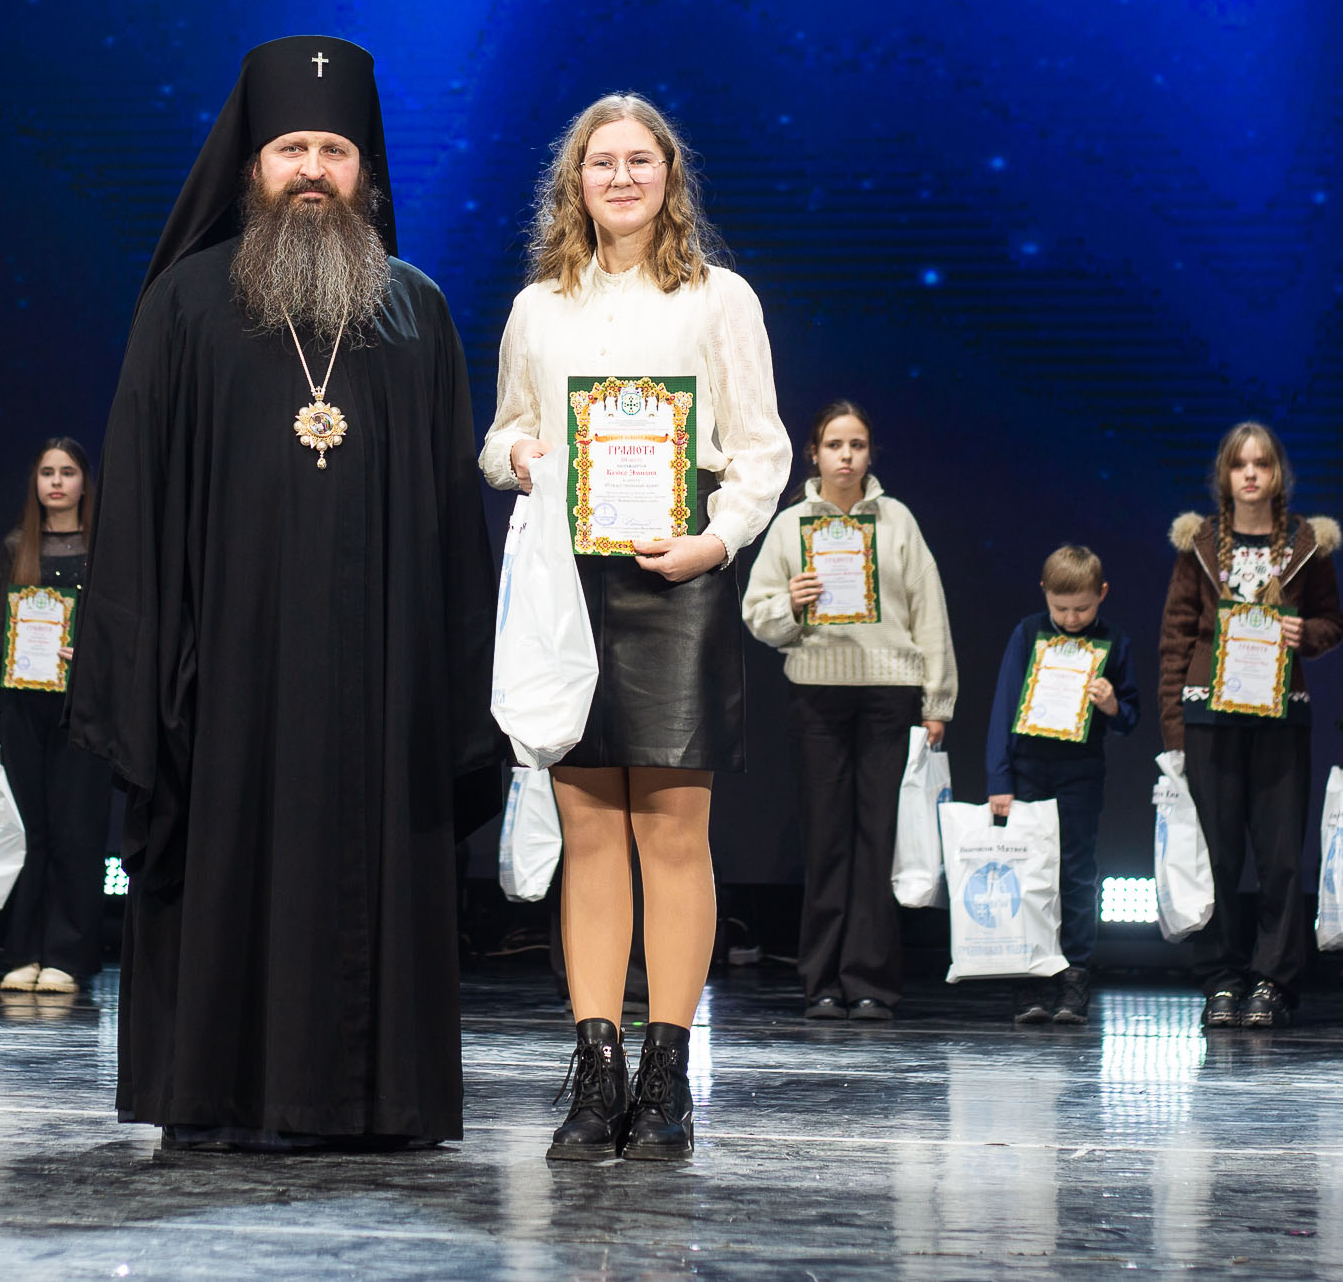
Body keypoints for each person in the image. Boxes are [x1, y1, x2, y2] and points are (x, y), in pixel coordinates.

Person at [73, 35, 499, 1151]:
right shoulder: (183, 306)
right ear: (252, 165)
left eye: (335, 149)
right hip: (223, 679)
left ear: (368, 171)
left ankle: (379, 1099)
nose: (313, 169)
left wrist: (456, 695)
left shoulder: (417, 313)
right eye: (291, 147)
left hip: (382, 687)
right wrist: (150, 677)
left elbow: (454, 534)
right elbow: (138, 508)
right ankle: (213, 1093)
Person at [486, 92, 789, 1163]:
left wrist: (715, 543)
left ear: (669, 176)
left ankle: (667, 1073)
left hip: (676, 576)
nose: (620, 177)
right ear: (574, 182)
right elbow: (503, 436)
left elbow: (760, 450)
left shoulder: (720, 297)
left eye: (639, 161)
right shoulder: (538, 308)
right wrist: (519, 456)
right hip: (565, 580)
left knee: (668, 833)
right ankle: (596, 1066)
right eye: (600, 162)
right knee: (587, 834)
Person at [741, 399, 957, 1022]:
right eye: (834, 445)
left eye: (856, 445)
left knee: (877, 838)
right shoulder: (791, 526)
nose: (846, 456)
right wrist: (791, 604)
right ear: (814, 454)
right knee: (827, 840)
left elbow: (930, 612)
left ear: (869, 454)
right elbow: (756, 615)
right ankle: (822, 983)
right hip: (818, 693)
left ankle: (870, 983)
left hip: (889, 693)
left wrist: (937, 700)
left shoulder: (896, 520)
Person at [1159, 422, 1341, 1030]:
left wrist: (1305, 633)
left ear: (1278, 473)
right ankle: (1220, 979)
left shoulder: (1307, 544)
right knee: (1217, 855)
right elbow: (1175, 637)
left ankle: (1273, 980)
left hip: (1281, 715)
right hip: (1209, 715)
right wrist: (1174, 733)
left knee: (1280, 855)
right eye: (1241, 465)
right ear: (1226, 474)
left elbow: (1331, 622)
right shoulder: (1201, 544)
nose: (1252, 474)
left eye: (1263, 463)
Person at [985, 544, 1139, 1027]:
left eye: (1083, 609)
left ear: (1103, 594)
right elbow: (1004, 705)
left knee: (1076, 873)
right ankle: (1028, 978)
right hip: (1027, 769)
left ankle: (1075, 976)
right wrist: (999, 777)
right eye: (1061, 608)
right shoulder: (1028, 633)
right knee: (1028, 873)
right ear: (1044, 595)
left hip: (1080, 771)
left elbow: (1130, 717)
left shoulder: (1113, 641)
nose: (1072, 619)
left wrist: (1111, 704)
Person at [0, 438, 107, 996]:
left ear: (84, 482)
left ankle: (67, 954)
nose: (56, 482)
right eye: (47, 472)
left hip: (83, 704)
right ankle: (25, 950)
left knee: (75, 830)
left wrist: (92, 655)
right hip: (23, 699)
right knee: (30, 829)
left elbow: (118, 625)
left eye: (68, 472)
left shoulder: (102, 547)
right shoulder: (17, 545)